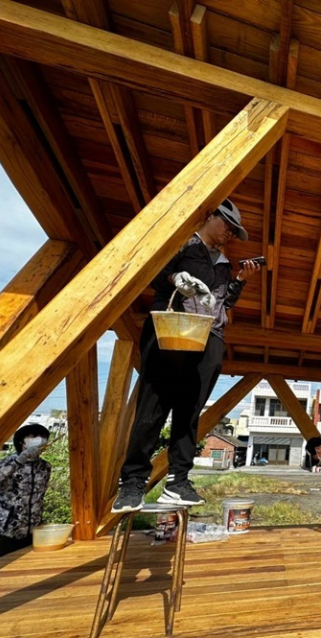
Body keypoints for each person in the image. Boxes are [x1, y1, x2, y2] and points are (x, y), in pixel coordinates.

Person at [112, 199, 260, 513]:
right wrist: (174, 278)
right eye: (227, 227)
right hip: (171, 327)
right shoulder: (181, 243)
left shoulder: (223, 262)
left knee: (189, 410)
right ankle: (132, 483)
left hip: (210, 335)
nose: (229, 235)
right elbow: (155, 273)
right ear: (210, 216)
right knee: (153, 405)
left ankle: (178, 481)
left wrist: (240, 281)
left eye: (234, 233)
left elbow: (223, 303)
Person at [0, 424, 52, 565]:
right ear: (21, 442)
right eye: (32, 436)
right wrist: (18, 462)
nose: (38, 439)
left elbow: (39, 497)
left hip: (30, 533)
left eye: (42, 436)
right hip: (1, 532)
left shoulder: (45, 467)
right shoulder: (8, 462)